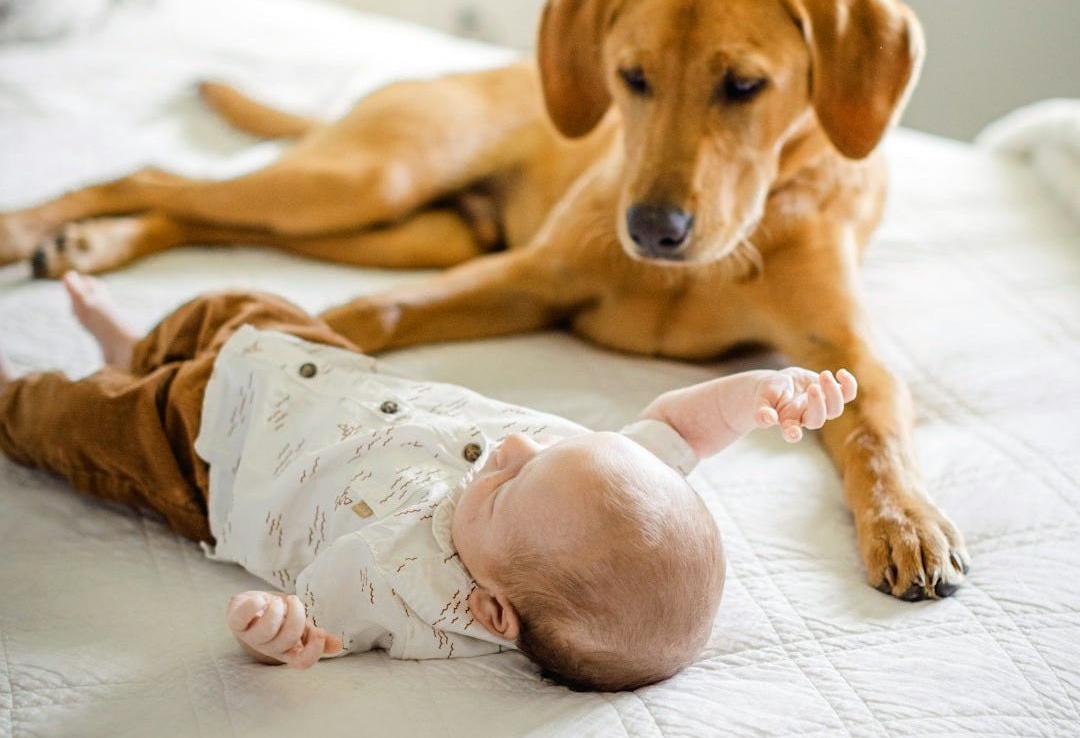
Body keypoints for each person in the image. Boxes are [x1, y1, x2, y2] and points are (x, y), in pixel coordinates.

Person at [0, 273, 856, 692]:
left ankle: (44, 392)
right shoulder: (594, 483)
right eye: (546, 446)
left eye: (509, 482)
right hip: (309, 365)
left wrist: (278, 632)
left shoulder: (415, 599)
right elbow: (678, 428)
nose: (516, 443)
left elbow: (316, 628)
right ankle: (136, 349)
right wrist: (758, 395)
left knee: (65, 424)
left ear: (491, 610)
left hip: (199, 457)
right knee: (227, 305)